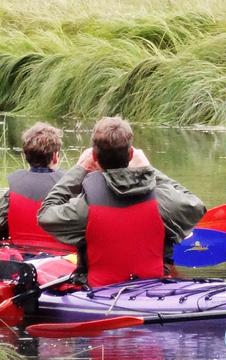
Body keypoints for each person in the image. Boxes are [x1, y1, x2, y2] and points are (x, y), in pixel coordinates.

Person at [38, 116, 206, 287]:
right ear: (131, 154)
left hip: (98, 292)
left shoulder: (85, 206)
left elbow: (45, 215)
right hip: (153, 288)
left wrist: (79, 169)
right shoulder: (162, 200)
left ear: (94, 156)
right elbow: (196, 205)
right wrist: (149, 169)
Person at [0, 122, 74, 253]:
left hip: (20, 259)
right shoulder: (71, 187)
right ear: (55, 156)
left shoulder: (12, 191)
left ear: (26, 156)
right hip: (60, 262)